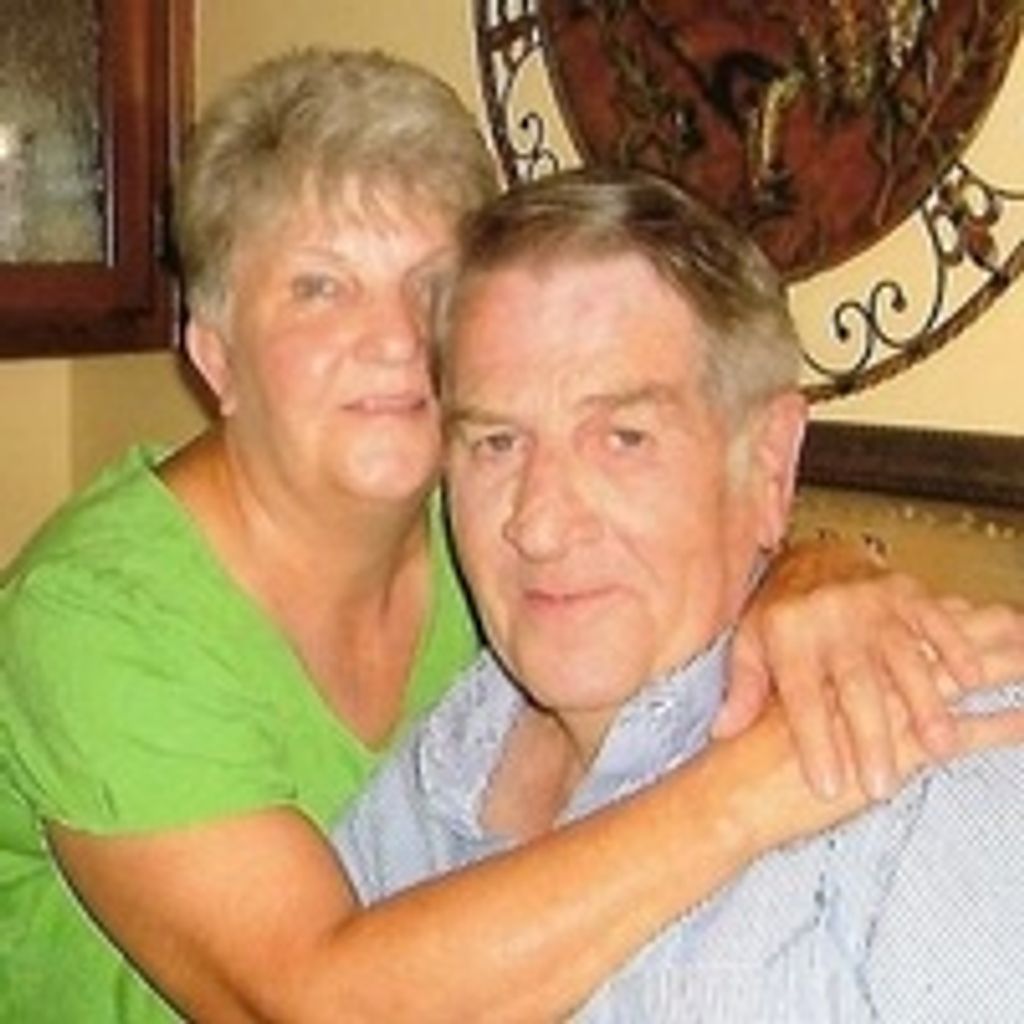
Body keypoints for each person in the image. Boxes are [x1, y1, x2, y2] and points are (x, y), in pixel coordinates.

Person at [0, 49, 1009, 1022]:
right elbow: (315, 1005)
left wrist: (812, 573)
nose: (397, 339)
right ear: (215, 358)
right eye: (319, 286)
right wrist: (759, 786)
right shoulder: (98, 619)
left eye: (431, 288)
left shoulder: (479, 535)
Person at [335, 167, 1024, 1020]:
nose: (539, 525)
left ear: (767, 463)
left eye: (623, 438)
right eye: (497, 443)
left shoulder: (933, 768)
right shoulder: (436, 774)